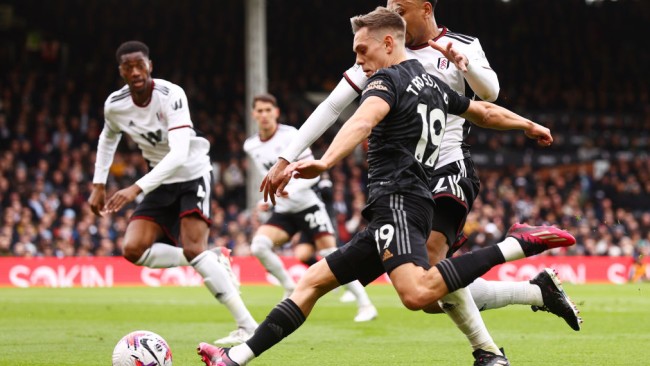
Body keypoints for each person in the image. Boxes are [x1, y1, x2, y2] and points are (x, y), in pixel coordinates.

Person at [197, 8, 576, 365]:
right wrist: (528, 125)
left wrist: (325, 161)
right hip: (401, 205)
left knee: (417, 293)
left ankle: (517, 245)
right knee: (312, 281)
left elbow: (362, 121)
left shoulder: (386, 80)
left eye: (363, 50)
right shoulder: (435, 86)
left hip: (399, 201)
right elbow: (485, 111)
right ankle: (234, 358)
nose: (359, 60)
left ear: (390, 43)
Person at [88, 40, 258, 345]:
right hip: (159, 180)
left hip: (192, 173)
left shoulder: (171, 94)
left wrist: (136, 188)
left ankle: (247, 326)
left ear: (150, 65)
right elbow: (107, 137)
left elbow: (179, 154)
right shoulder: (114, 105)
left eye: (141, 64)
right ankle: (213, 258)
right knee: (132, 249)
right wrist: (98, 184)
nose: (136, 71)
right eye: (129, 67)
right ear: (121, 71)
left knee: (195, 248)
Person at [243, 93, 378, 322]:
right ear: (253, 114)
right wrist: (265, 199)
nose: (264, 115)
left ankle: (366, 304)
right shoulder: (251, 145)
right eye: (260, 111)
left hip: (307, 205)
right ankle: (288, 287)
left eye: (268, 110)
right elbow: (268, 177)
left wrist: (291, 190)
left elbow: (313, 176)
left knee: (330, 254)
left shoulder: (291, 136)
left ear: (276, 112)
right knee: (259, 246)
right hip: (284, 210)